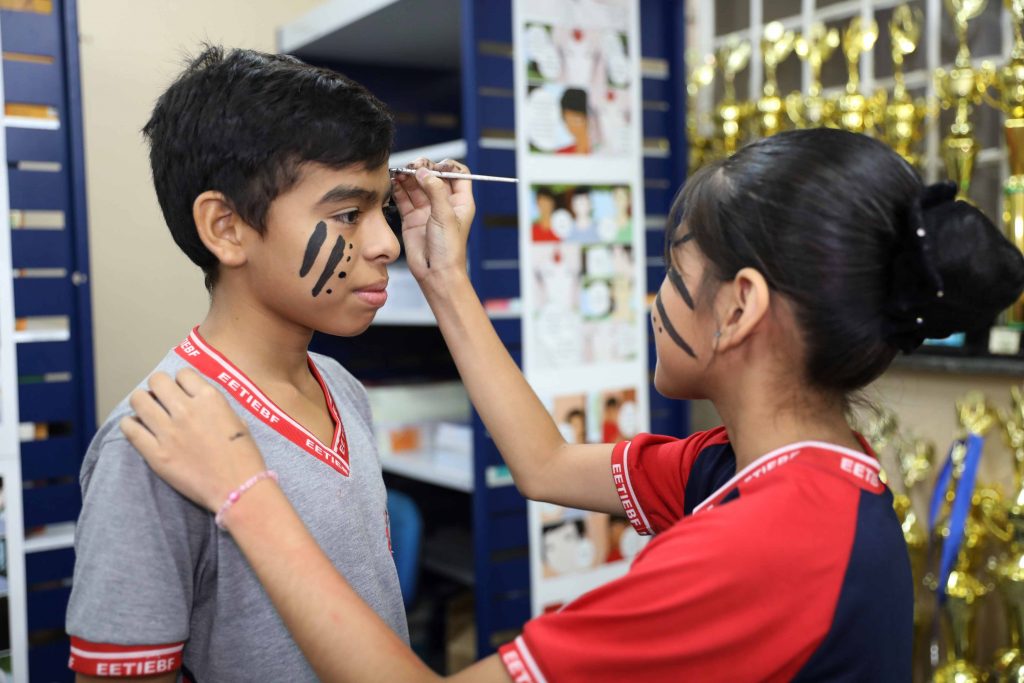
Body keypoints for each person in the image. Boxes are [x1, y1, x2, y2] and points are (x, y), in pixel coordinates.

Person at [124, 129, 1024, 682]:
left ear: (740, 307)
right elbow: (545, 466)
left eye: (677, 278)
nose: (653, 302)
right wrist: (445, 278)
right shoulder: (769, 470)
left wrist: (244, 489)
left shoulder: (769, 547)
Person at [65, 46, 407, 682]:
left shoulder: (341, 387)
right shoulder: (154, 440)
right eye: (348, 214)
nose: (388, 242)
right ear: (226, 227)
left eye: (382, 209)